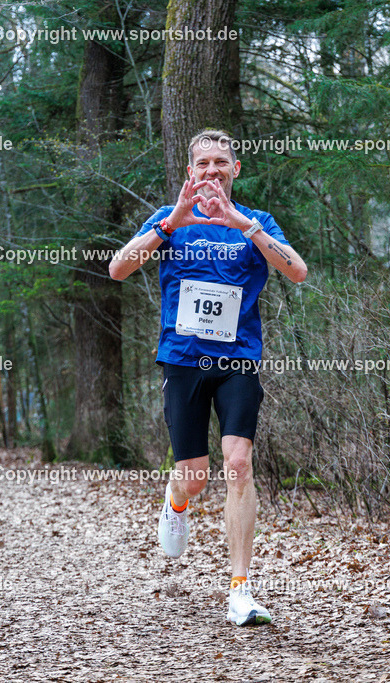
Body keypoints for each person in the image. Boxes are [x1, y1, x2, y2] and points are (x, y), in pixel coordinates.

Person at [109, 129, 307, 626]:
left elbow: (298, 272)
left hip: (238, 361)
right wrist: (169, 225)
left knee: (238, 464)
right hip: (182, 362)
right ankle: (176, 501)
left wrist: (246, 227)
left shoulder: (256, 222)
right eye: (203, 164)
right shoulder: (169, 221)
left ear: (235, 169)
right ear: (190, 172)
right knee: (194, 475)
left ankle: (240, 589)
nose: (212, 170)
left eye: (222, 162)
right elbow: (117, 269)